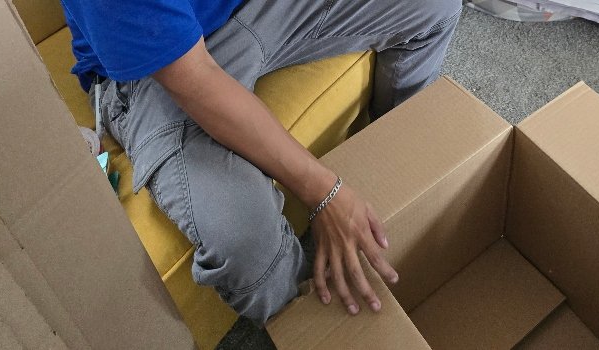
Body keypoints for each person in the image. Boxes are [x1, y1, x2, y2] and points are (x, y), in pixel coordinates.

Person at [61, 0, 462, 325]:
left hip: (249, 8)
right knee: (244, 244)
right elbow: (196, 78)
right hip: (153, 73)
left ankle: (402, 186)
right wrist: (325, 191)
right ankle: (321, 324)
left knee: (434, 7)